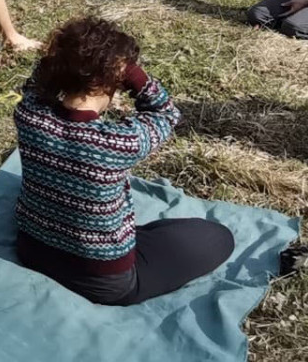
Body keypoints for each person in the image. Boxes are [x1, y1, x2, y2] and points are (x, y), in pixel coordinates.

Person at [13, 16, 234, 305]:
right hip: (104, 281)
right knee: (218, 237)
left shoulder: (28, 116)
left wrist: (64, 58)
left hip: (31, 249)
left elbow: (35, 83)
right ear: (111, 80)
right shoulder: (118, 142)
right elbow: (167, 113)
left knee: (159, 236)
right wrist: (133, 74)